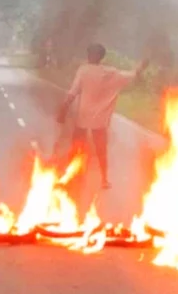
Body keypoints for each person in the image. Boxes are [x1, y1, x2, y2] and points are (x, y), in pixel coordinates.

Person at [57, 43, 148, 189]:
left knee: (76, 147)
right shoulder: (111, 73)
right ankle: (104, 179)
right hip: (99, 120)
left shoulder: (84, 70)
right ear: (102, 57)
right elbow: (132, 75)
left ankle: (70, 176)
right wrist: (141, 67)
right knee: (101, 151)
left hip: (83, 117)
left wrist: (63, 110)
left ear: (89, 55)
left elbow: (72, 93)